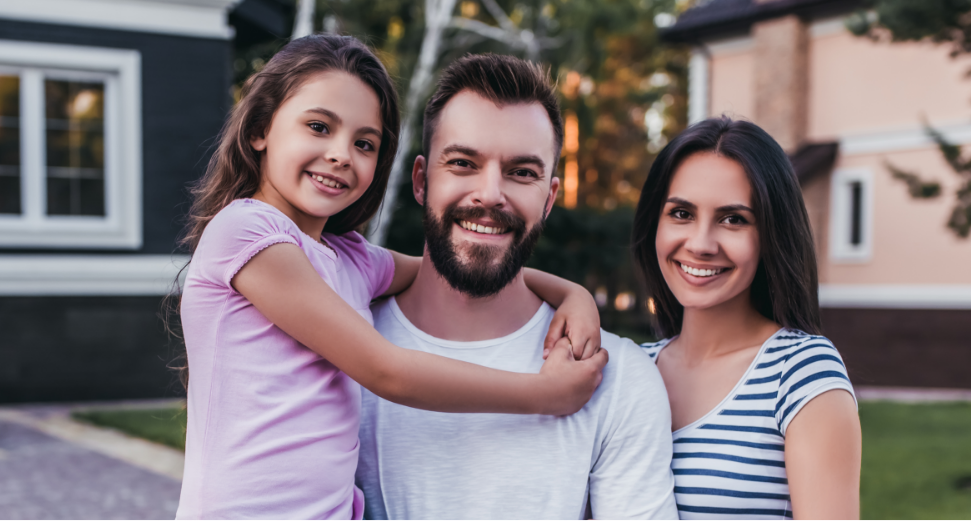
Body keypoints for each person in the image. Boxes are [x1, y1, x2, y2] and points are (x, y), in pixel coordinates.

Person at [174, 35, 610, 520]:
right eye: (319, 127)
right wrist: (545, 394)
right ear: (260, 128)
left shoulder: (350, 259)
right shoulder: (245, 233)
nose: (341, 155)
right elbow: (387, 371)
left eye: (364, 143)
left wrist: (572, 294)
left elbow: (452, 264)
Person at [355, 53, 679, 521]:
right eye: (464, 163)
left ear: (549, 199)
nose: (490, 194)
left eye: (522, 172)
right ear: (422, 181)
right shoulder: (342, 350)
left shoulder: (615, 379)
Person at [631, 116, 862, 521]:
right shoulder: (629, 369)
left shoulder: (800, 372)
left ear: (771, 233)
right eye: (681, 213)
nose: (700, 244)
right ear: (655, 223)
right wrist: (571, 296)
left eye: (733, 219)